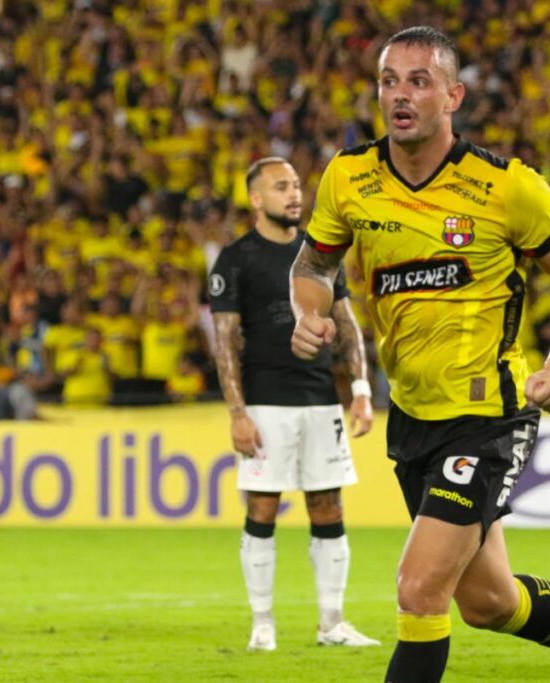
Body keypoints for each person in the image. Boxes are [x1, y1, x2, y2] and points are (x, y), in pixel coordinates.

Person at [291, 26, 550, 683]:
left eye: (418, 80)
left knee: (418, 589)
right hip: (412, 418)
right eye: (388, 80)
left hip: (489, 415)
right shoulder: (348, 179)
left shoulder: (505, 186)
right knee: (489, 601)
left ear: (453, 96)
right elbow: (314, 266)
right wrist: (307, 313)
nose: (399, 95)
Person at [210, 157, 379, 652]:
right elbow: (226, 342)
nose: (294, 194)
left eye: (296, 186)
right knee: (263, 506)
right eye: (281, 187)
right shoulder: (236, 259)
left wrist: (362, 391)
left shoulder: (320, 256)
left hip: (320, 399)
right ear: (256, 200)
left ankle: (333, 623)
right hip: (265, 403)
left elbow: (347, 326)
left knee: (328, 507)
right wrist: (237, 412)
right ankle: (263, 623)